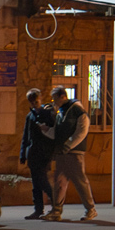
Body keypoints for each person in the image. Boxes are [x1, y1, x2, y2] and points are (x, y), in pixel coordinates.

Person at [43, 86, 96, 222]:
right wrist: (45, 130)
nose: (54, 102)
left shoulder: (77, 110)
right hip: (62, 152)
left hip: (74, 152)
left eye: (55, 99)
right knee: (59, 182)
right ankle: (56, 211)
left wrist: (69, 145)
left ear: (63, 97)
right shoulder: (62, 111)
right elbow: (57, 131)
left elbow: (82, 131)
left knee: (80, 181)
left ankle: (90, 209)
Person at [19, 88, 57, 219]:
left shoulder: (47, 114)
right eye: (31, 101)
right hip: (33, 153)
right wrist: (22, 153)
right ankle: (38, 209)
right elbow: (26, 136)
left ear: (39, 99)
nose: (34, 103)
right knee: (36, 183)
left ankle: (55, 202)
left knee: (42, 180)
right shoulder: (30, 116)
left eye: (35, 100)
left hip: (44, 153)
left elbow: (53, 132)